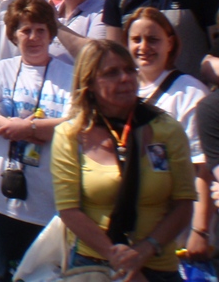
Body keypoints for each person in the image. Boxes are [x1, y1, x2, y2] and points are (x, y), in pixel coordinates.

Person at [51, 40, 195, 282]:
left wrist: (144, 251)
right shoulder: (70, 135)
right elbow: (68, 209)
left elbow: (184, 203)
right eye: (111, 73)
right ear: (89, 84)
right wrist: (118, 259)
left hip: (158, 265)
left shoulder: (166, 128)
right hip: (94, 266)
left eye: (129, 70)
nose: (125, 78)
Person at [0, 0, 74, 282]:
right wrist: (12, 125)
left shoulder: (70, 76)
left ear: (51, 32)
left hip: (51, 200)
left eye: (40, 30)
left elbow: (78, 124)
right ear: (14, 35)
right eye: (25, 30)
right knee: (7, 272)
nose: (34, 37)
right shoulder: (3, 70)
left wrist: (28, 128)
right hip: (6, 196)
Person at [126, 7, 212, 260]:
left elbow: (202, 169)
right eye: (136, 39)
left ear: (170, 42)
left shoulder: (190, 93)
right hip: (130, 226)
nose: (144, 47)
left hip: (177, 229)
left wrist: (201, 229)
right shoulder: (120, 87)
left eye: (153, 39)